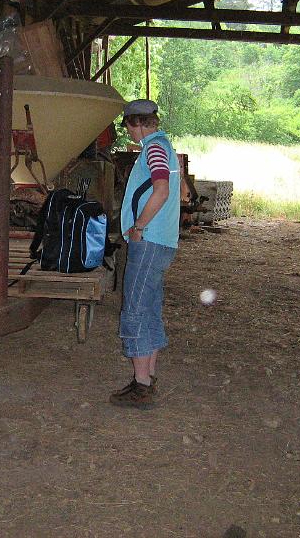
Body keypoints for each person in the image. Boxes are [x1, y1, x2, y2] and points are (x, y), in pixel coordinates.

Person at [110, 99, 180, 410]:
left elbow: (161, 190)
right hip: (162, 240)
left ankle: (141, 387)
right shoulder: (165, 146)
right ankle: (147, 378)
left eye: (127, 126)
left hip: (149, 240)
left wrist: (138, 225)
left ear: (135, 123)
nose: (128, 132)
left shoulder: (153, 149)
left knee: (135, 309)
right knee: (149, 307)